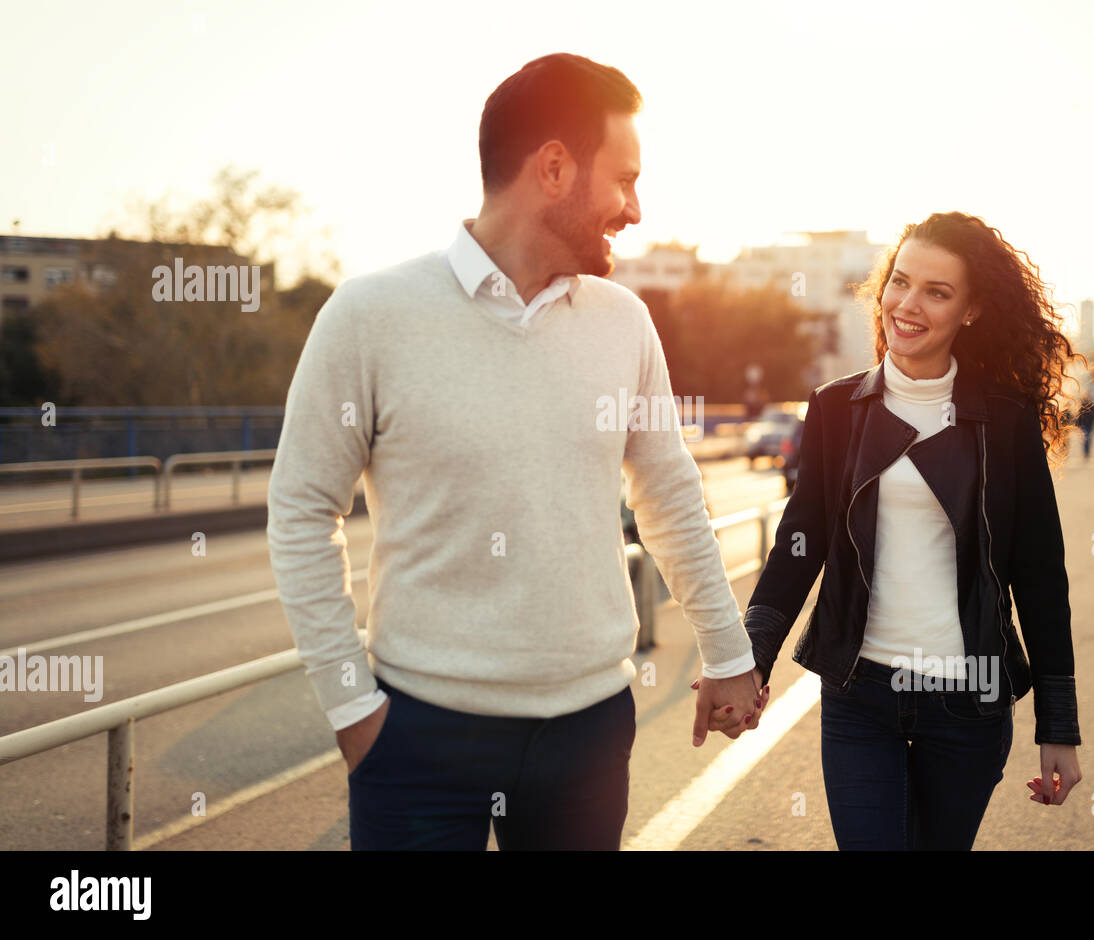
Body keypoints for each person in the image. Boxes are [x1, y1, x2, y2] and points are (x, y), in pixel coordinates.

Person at [266, 53, 765, 851]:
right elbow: (299, 511)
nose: (635, 209)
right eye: (625, 180)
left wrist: (730, 653)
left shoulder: (624, 322)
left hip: (588, 737)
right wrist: (354, 714)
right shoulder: (370, 314)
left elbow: (668, 496)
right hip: (419, 741)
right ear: (555, 167)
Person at [741, 211, 1084, 850]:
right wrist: (748, 662)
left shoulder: (1004, 422)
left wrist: (1057, 726)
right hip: (860, 695)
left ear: (972, 310)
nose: (907, 303)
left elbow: (1040, 574)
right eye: (899, 282)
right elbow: (801, 542)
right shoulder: (836, 409)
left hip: (969, 700)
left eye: (937, 291)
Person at [1075, 393, 1094, 458]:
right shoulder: (1083, 406)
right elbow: (1079, 416)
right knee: (1086, 438)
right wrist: (1078, 425)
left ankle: (1086, 451)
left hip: (1089, 425)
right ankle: (1086, 451)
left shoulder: (1092, 406)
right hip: (1085, 425)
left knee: (1087, 439)